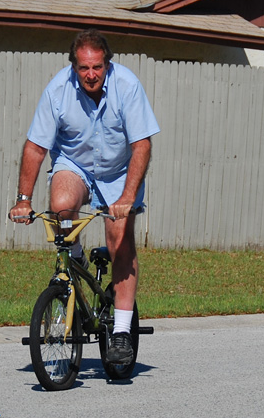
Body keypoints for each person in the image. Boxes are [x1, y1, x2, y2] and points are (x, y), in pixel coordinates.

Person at [9, 30, 160, 364]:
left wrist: (127, 197)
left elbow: (142, 145)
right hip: (74, 163)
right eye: (83, 68)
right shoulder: (58, 90)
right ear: (73, 67)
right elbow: (36, 147)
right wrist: (23, 199)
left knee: (120, 239)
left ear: (107, 63)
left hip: (119, 170)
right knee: (62, 209)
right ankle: (75, 258)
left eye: (97, 67)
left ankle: (121, 331)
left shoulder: (127, 86)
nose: (91, 74)